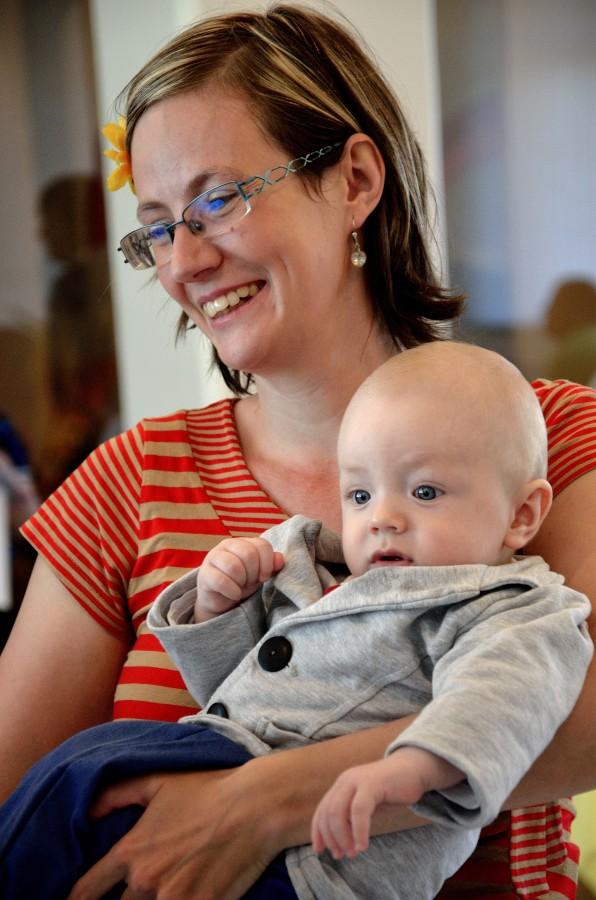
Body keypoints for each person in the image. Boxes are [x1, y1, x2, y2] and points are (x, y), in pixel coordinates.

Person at [0, 5, 594, 898]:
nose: (183, 262)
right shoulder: (124, 483)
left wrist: (258, 806)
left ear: (354, 180)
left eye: (217, 199)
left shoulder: (547, 435)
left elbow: (583, 712)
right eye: (158, 227)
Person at [0, 342, 591, 900]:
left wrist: (414, 765)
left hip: (319, 866)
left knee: (85, 784)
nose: (382, 518)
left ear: (522, 515)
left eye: (426, 492)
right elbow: (227, 688)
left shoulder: (516, 607)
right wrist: (218, 609)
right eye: (359, 495)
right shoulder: (318, 568)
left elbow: (505, 702)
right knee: (76, 779)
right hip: (216, 750)